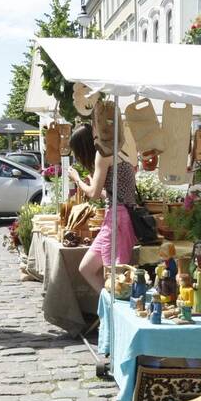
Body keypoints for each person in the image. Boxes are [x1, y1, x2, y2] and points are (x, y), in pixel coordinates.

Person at [68, 123, 138, 292]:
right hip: (119, 215)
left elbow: (93, 194)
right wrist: (94, 184)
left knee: (113, 275)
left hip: (116, 220)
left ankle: (113, 312)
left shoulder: (103, 154)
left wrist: (77, 179)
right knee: (87, 268)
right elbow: (113, 194)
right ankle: (107, 308)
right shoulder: (117, 151)